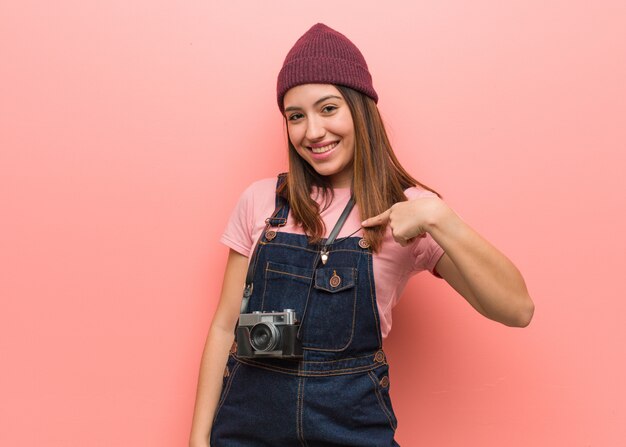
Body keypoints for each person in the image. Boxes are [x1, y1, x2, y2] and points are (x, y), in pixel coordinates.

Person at [189, 23, 534, 447]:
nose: (312, 131)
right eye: (295, 116)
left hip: (351, 433)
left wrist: (438, 216)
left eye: (328, 108)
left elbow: (517, 309)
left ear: (360, 108)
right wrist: (199, 440)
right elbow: (226, 327)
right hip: (246, 433)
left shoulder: (409, 213)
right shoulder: (262, 202)